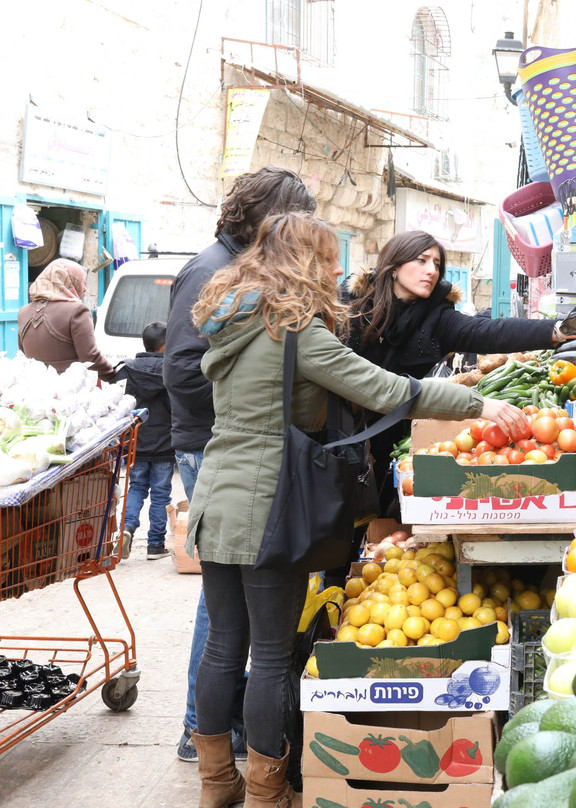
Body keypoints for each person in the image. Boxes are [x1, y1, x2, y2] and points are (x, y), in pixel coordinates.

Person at [185, 212, 526, 808]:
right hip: (272, 502)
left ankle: (217, 784)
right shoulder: (293, 330)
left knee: (223, 647)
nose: (338, 269)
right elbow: (385, 388)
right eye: (327, 257)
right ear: (302, 263)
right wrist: (476, 404)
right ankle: (266, 793)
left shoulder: (229, 318)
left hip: (218, 496)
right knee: (267, 655)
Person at [163, 166, 317, 764]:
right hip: (216, 444)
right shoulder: (213, 271)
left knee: (230, 609)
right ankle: (203, 729)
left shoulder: (240, 271)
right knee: (226, 610)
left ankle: (214, 743)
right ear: (267, 218)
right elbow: (182, 369)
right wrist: (248, 402)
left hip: (227, 442)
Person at [342, 230, 575, 515]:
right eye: (422, 260)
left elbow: (488, 332)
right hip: (341, 425)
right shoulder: (350, 305)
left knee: (381, 508)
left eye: (437, 264)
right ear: (394, 266)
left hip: (394, 425)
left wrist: (558, 330)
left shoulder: (437, 315)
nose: (431, 270)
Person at [114, 321, 173, 561]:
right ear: (166, 345)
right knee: (161, 494)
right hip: (165, 443)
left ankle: (126, 529)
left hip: (136, 441)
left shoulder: (128, 369)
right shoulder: (171, 369)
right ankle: (155, 546)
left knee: (136, 488)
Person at [17, 258, 114, 379]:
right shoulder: (77, 310)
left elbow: (23, 353)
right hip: (68, 389)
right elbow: (89, 357)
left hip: (32, 387)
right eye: (81, 282)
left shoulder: (23, 312)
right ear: (68, 281)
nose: (84, 289)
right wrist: (112, 375)